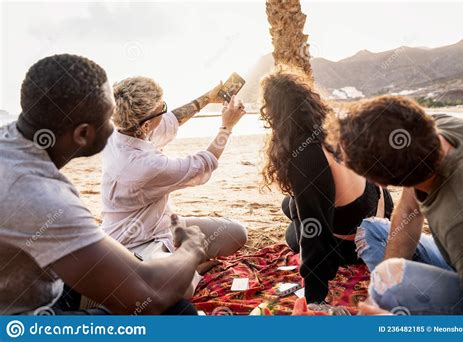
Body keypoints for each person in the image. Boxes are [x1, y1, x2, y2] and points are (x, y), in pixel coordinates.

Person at [0, 54, 208, 315]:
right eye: (110, 119)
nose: (117, 127)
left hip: (32, 289)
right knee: (178, 313)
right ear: (83, 134)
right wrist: (190, 248)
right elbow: (151, 296)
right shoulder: (42, 197)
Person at [100, 76, 247, 294]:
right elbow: (203, 164)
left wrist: (209, 97)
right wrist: (226, 127)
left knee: (236, 234)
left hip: (163, 225)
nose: (165, 112)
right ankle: (187, 266)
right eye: (162, 107)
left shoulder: (122, 130)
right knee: (180, 289)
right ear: (146, 124)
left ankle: (180, 259)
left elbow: (172, 120)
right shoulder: (142, 165)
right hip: (134, 245)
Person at [328, 95, 463, 315]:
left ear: (380, 184)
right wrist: (380, 290)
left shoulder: (462, 222)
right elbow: (409, 209)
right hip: (460, 256)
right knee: (371, 231)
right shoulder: (437, 130)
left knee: (389, 287)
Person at [259, 68, 393, 304]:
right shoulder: (335, 130)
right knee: (289, 205)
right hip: (378, 213)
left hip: (358, 244)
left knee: (294, 232)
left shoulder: (306, 155)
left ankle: (327, 248)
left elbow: (315, 230)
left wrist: (314, 297)